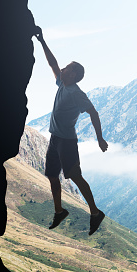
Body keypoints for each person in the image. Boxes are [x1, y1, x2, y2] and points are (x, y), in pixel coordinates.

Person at [33, 26, 108, 235]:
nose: (62, 69)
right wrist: (42, 41)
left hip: (67, 142)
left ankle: (95, 212)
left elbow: (94, 113)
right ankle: (59, 211)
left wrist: (100, 140)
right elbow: (52, 63)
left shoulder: (76, 93)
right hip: (55, 139)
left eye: (67, 67)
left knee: (75, 176)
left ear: (73, 74)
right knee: (52, 176)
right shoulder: (61, 84)